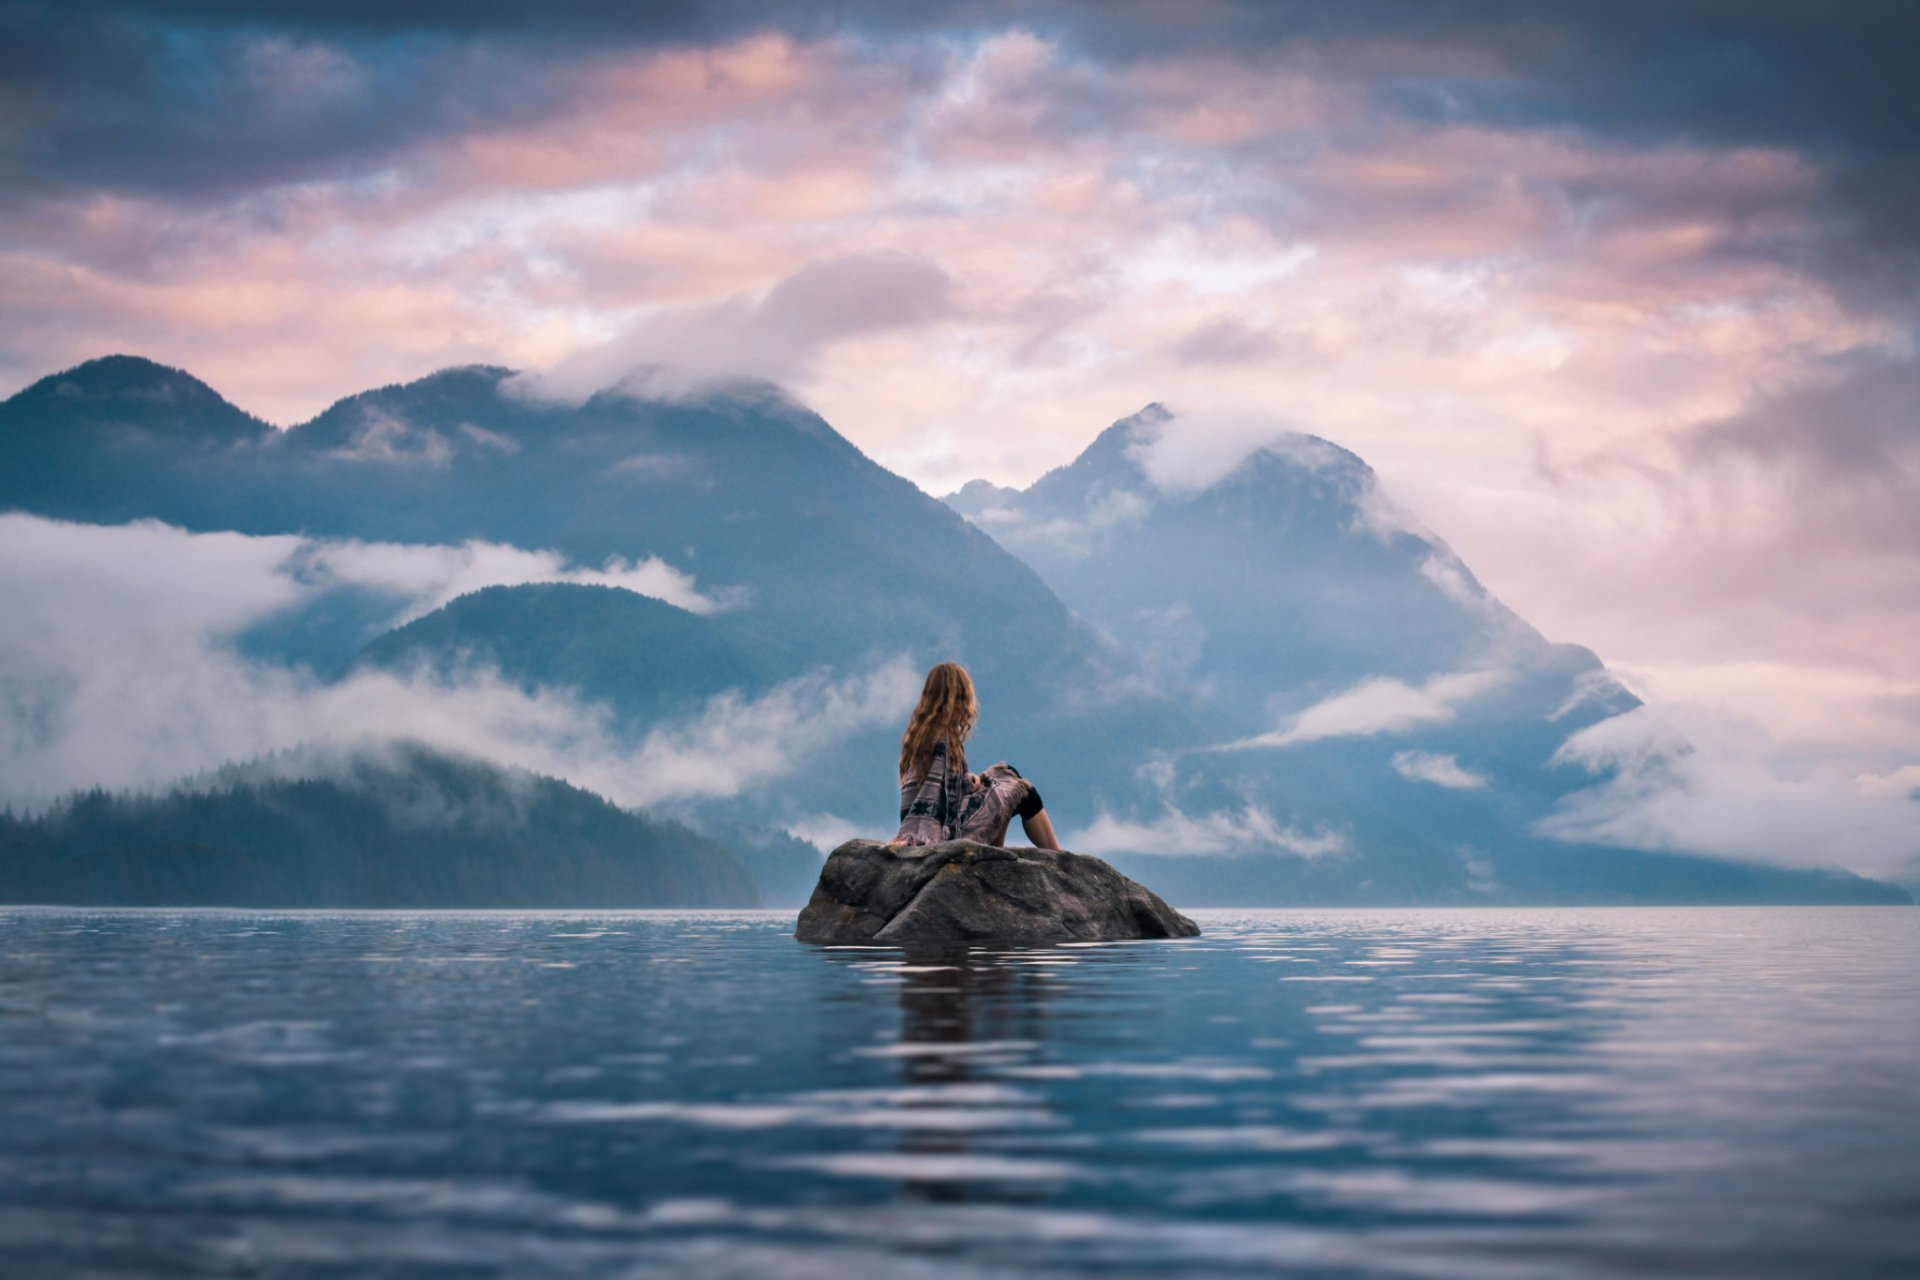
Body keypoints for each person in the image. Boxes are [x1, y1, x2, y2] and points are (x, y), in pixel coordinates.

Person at [889, 661, 1062, 850]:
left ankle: (996, 849)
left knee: (1005, 775)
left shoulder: (923, 733)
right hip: (947, 831)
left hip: (939, 824)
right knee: (1024, 793)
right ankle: (1058, 856)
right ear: (958, 697)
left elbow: (942, 788)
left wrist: (970, 779)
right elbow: (941, 802)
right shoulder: (942, 741)